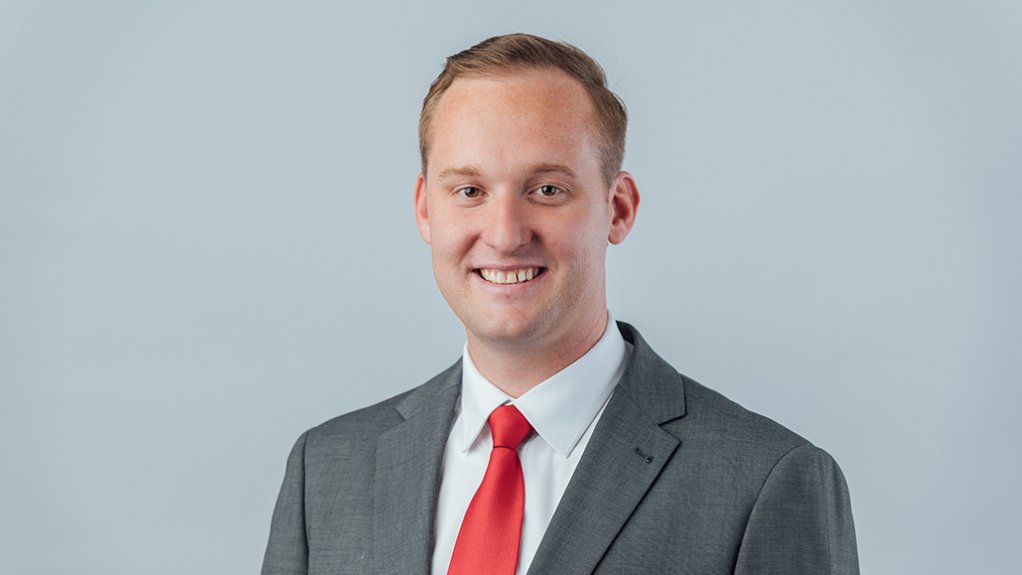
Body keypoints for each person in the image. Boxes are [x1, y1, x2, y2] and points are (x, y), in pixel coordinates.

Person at [261, 33, 859, 575]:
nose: (504, 233)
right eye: (468, 191)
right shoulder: (328, 468)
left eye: (547, 190)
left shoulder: (766, 483)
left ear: (618, 208)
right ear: (425, 208)